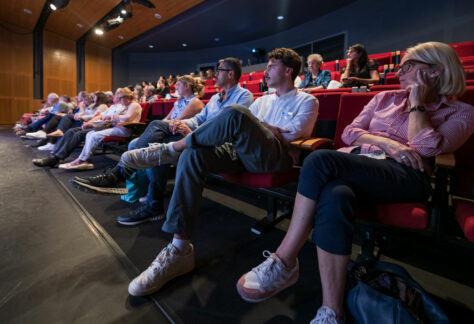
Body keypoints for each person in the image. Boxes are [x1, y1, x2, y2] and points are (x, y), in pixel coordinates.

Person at [236, 41, 474, 323]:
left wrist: (417, 104)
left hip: (405, 178)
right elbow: (350, 132)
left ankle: (285, 259)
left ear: (436, 71)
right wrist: (390, 144)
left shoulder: (462, 112)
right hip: (359, 165)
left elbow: (426, 148)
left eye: (409, 65)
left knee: (319, 160)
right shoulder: (384, 98)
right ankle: (331, 311)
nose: (399, 71)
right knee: (335, 194)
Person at [88, 48, 318, 297]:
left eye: (272, 66)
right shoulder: (263, 100)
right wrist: (259, 127)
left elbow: (292, 135)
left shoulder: (306, 100)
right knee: (193, 154)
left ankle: (169, 150)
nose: (266, 70)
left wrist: (257, 126)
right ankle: (179, 250)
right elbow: (248, 129)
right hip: (240, 151)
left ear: (288, 71)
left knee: (234, 112)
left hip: (273, 158)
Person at [72, 60, 253, 224]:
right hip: (195, 135)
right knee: (158, 129)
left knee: (153, 137)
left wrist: (191, 131)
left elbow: (225, 126)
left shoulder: (244, 96)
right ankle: (147, 199)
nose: (215, 74)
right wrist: (179, 123)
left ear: (231, 74)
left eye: (220, 70)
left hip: (217, 144)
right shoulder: (215, 98)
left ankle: (123, 179)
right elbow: (199, 118)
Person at [58, 88, 142, 170]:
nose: (119, 100)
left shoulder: (134, 105)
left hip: (124, 130)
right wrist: (109, 119)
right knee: (89, 133)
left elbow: (127, 118)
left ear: (126, 97)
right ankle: (85, 160)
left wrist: (112, 117)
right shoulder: (126, 105)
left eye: (120, 98)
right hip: (117, 128)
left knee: (94, 135)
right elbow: (119, 118)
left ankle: (81, 160)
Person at [32, 91, 111, 168]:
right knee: (70, 131)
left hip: (96, 126)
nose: (92, 98)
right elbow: (89, 113)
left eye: (94, 97)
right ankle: (55, 154)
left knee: (76, 132)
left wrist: (82, 117)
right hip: (89, 123)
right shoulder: (95, 105)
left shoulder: (103, 106)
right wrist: (80, 115)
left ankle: (56, 158)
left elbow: (97, 116)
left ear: (99, 98)